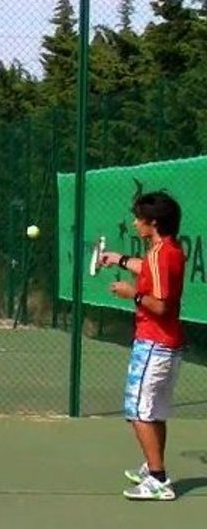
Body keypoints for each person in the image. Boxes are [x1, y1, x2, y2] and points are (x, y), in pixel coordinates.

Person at [98, 190, 185, 501]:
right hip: (165, 345)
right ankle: (153, 467)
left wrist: (130, 294)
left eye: (139, 219)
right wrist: (118, 259)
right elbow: (148, 269)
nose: (135, 223)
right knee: (154, 412)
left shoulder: (162, 255)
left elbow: (160, 306)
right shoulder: (167, 250)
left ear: (154, 222)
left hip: (154, 343)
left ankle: (159, 480)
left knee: (138, 412)